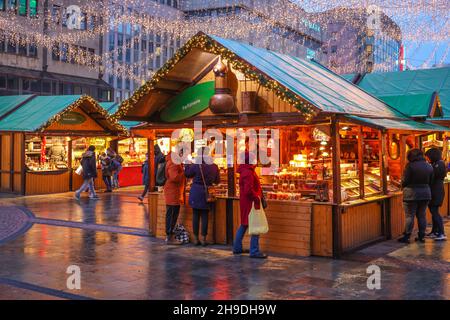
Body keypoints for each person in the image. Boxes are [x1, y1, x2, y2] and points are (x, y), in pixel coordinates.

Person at [233, 152, 267, 259]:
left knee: (244, 224)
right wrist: (256, 198)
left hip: (246, 202)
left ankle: (237, 248)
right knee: (255, 224)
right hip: (251, 203)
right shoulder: (248, 172)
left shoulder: (245, 170)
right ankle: (254, 251)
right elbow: (248, 190)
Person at [184, 147, 220, 246]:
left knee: (196, 215)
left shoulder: (197, 165)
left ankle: (196, 239)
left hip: (196, 192)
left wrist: (187, 165)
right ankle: (203, 239)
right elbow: (217, 181)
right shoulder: (214, 166)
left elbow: (187, 174)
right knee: (205, 215)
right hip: (207, 193)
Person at [398, 148, 434, 244]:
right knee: (422, 215)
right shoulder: (429, 166)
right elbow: (431, 181)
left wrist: (401, 184)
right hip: (426, 193)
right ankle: (421, 236)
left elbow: (405, 181)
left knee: (410, 216)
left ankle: (407, 236)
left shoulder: (410, 166)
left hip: (411, 194)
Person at [163, 147, 185, 245]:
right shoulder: (174, 162)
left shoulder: (173, 160)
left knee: (172, 213)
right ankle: (169, 236)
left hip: (173, 191)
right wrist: (183, 172)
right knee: (172, 214)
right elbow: (174, 177)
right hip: (173, 191)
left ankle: (169, 235)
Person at [425, 148, 447, 241]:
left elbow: (433, 176)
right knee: (434, 211)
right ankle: (434, 231)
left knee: (435, 212)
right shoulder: (436, 163)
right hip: (435, 190)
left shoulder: (439, 164)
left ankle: (441, 233)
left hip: (436, 191)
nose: (427, 158)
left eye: (427, 156)